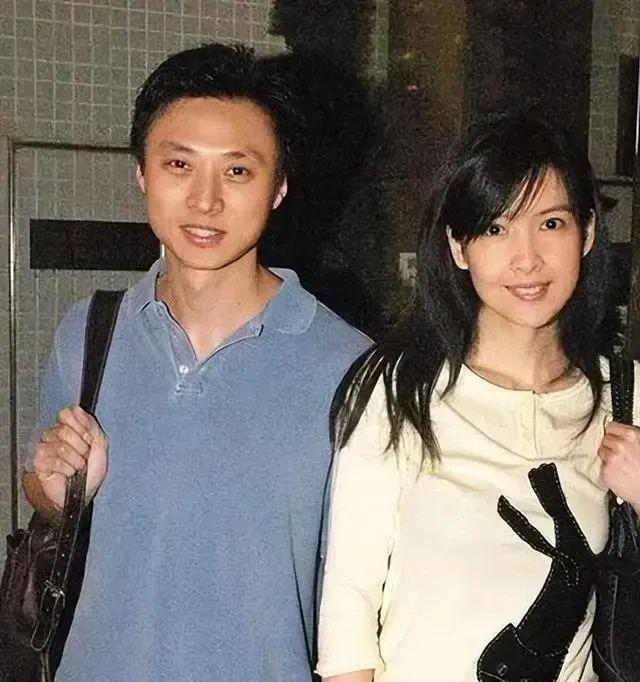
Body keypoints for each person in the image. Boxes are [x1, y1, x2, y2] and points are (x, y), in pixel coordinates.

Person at [24, 43, 370, 681]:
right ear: (142, 173)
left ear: (279, 187)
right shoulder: (89, 334)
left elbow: (368, 586)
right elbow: (44, 495)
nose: (205, 200)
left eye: (237, 171)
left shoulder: (350, 368)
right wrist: (53, 492)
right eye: (179, 164)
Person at [316, 114, 640, 681]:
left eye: (551, 223)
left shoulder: (625, 397)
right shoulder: (400, 389)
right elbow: (348, 612)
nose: (527, 258)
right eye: (495, 228)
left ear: (587, 233)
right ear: (458, 247)